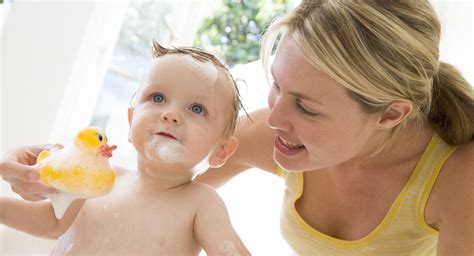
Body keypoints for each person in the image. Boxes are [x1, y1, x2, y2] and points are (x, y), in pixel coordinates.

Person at [1, 0, 473, 255]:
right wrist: (36, 169)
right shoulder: (269, 133)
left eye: (307, 107)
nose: (275, 119)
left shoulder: (459, 180)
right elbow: (130, 203)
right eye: (276, 86)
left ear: (391, 115)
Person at [0, 41, 250, 256]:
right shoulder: (102, 179)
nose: (171, 114)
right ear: (131, 122)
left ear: (222, 151)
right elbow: (53, 223)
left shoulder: (201, 204)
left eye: (196, 108)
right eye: (158, 98)